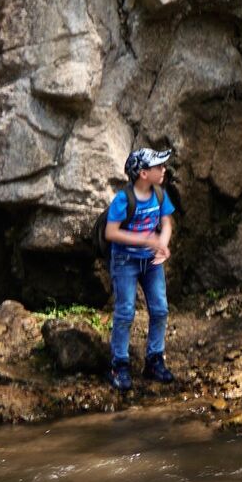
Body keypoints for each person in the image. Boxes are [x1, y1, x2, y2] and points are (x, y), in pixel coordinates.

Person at [105, 146, 176, 391]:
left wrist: (162, 245)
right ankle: (119, 364)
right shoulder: (124, 199)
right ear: (143, 173)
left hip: (151, 263)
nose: (163, 170)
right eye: (158, 167)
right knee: (125, 312)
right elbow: (111, 232)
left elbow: (166, 223)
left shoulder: (159, 194)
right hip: (125, 262)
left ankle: (154, 359)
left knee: (160, 309)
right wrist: (146, 240)